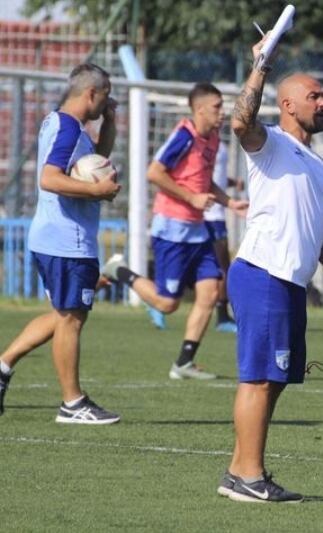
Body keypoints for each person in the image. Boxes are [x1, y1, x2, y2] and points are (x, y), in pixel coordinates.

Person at [217, 37, 323, 503]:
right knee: (258, 377)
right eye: (314, 95)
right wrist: (262, 65)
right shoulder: (270, 142)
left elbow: (320, 229)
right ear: (288, 104)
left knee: (274, 380)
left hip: (291, 281)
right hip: (262, 272)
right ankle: (251, 479)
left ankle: (239, 471)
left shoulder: (318, 165)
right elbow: (239, 121)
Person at [0, 63, 122, 423]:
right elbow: (49, 179)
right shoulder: (68, 128)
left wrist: (110, 122)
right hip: (66, 240)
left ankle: (2, 366)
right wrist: (96, 190)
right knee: (72, 319)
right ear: (91, 94)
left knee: (63, 315)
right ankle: (72, 403)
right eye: (106, 94)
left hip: (56, 237)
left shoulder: (65, 124)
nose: (107, 100)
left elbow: (94, 158)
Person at [103, 83, 248, 380]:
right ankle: (119, 271)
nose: (222, 112)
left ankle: (184, 362)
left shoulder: (213, 138)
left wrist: (230, 202)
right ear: (199, 110)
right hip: (172, 230)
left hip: (197, 230)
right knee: (168, 304)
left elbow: (202, 181)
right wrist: (191, 198)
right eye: (217, 107)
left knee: (209, 292)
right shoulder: (184, 135)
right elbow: (154, 172)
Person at [203, 141, 243, 333]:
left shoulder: (221, 146)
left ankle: (158, 297)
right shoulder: (199, 143)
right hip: (209, 215)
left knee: (217, 269)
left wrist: (233, 183)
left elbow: (214, 179)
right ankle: (222, 317)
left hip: (215, 214)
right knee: (225, 269)